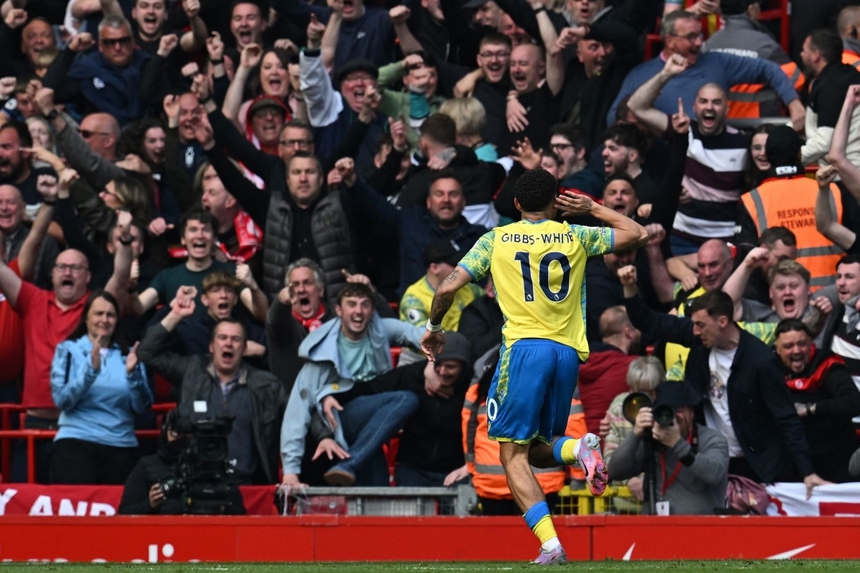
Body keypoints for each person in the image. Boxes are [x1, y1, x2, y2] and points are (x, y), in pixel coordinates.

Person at [420, 168, 648, 564]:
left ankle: (550, 545)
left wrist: (434, 328)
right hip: (566, 354)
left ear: (516, 203)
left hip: (524, 351)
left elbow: (447, 287)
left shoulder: (495, 240)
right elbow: (638, 233)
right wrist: (592, 208)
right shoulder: (576, 236)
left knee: (511, 454)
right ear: (556, 202)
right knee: (539, 450)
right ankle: (579, 448)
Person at [619, 269, 830, 496]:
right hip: (711, 457)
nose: (695, 330)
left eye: (701, 324)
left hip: (755, 463)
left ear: (722, 321)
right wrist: (630, 287)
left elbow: (786, 417)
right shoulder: (697, 338)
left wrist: (807, 472)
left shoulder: (760, 360)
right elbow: (648, 321)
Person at [280, 282, 424, 488]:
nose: (358, 311)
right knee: (405, 399)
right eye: (352, 304)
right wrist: (291, 472)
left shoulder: (379, 330)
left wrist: (444, 355)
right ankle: (350, 463)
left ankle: (350, 464)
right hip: (339, 419)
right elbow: (297, 411)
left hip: (368, 426)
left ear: (372, 311)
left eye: (365, 305)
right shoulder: (323, 349)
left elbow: (418, 335)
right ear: (338, 310)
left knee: (379, 489)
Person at [137, 293, 288, 485]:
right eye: (222, 338)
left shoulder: (266, 385)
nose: (228, 343)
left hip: (247, 484)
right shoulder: (191, 370)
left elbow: (296, 421)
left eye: (236, 339)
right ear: (211, 346)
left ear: (244, 349)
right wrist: (175, 315)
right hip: (195, 481)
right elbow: (146, 352)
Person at [50, 290, 152, 484]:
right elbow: (62, 401)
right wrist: (90, 372)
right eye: (98, 313)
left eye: (110, 315)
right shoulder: (68, 350)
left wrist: (133, 375)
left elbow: (142, 407)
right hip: (76, 442)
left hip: (121, 445)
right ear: (86, 318)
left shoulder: (129, 355)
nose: (104, 320)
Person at [609, 381, 729, 515]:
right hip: (655, 524)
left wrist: (677, 443)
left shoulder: (712, 439)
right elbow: (615, 471)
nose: (672, 418)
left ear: (691, 412)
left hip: (700, 525)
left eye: (677, 411)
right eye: (666, 411)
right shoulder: (652, 440)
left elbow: (713, 475)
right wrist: (635, 434)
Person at [775, 319, 860, 482]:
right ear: (777, 349)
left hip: (836, 458)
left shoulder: (826, 364)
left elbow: (854, 402)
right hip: (792, 462)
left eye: (802, 344)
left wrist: (811, 409)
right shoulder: (769, 368)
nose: (796, 351)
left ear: (810, 343)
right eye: (788, 346)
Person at [118, 407, 246, 515]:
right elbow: (124, 514)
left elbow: (240, 515)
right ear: (165, 431)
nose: (182, 437)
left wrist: (223, 508)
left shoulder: (216, 467)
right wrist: (150, 504)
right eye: (177, 431)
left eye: (189, 433)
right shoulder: (147, 465)